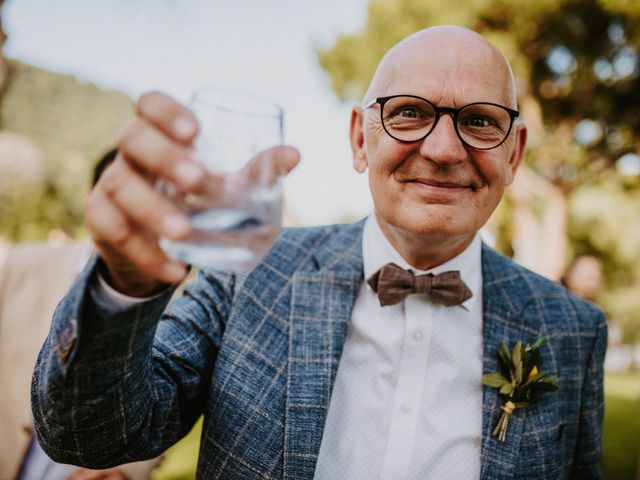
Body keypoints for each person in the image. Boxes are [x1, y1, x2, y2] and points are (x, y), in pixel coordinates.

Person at [31, 26, 607, 479]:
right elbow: (87, 435)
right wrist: (123, 287)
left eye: (480, 121)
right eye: (410, 113)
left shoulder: (572, 332)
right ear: (361, 138)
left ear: (514, 153)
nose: (441, 150)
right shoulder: (250, 275)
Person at [0, 150, 161, 479]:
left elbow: (162, 405)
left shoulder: (172, 309)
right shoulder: (22, 265)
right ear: (92, 199)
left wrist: (125, 471)